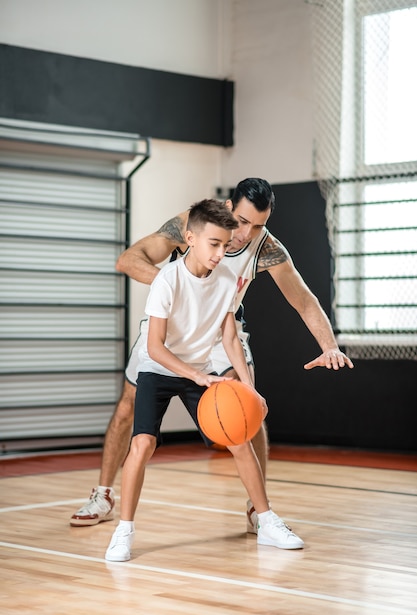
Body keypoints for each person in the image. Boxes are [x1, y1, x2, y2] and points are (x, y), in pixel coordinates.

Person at [70, 177, 353, 531]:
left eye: (259, 225)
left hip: (224, 329)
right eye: (244, 221)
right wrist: (176, 287)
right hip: (172, 325)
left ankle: (257, 509)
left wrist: (329, 346)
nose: (247, 232)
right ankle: (104, 494)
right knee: (129, 404)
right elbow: (129, 259)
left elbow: (303, 299)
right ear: (230, 208)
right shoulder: (193, 224)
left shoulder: (266, 248)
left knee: (247, 408)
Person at [104, 199, 304, 562]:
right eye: (213, 244)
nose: (220, 253)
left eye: (225, 245)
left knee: (239, 439)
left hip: (199, 371)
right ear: (190, 238)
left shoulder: (227, 278)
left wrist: (249, 388)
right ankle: (124, 530)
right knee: (142, 445)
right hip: (159, 369)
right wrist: (196, 375)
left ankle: (267, 520)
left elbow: (229, 338)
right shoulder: (167, 279)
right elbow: (155, 346)